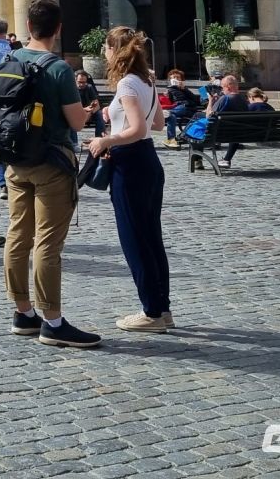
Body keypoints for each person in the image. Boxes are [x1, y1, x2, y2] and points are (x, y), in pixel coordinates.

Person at [2, 0, 97, 348]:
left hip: (16, 162)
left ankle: (22, 312)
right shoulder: (57, 68)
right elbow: (74, 121)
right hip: (51, 163)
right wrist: (87, 113)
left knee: (17, 236)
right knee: (47, 243)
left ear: (28, 26)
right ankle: (52, 321)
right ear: (58, 29)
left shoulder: (9, 60)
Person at [87, 26, 172, 332]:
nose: (104, 54)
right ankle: (162, 308)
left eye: (106, 49)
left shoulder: (126, 84)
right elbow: (158, 123)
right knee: (151, 237)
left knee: (134, 239)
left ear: (115, 51)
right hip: (149, 160)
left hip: (131, 162)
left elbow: (136, 129)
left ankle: (151, 311)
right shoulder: (146, 80)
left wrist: (105, 141)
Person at [162, 70, 200, 145]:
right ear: (170, 80)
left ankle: (165, 113)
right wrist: (168, 97)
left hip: (188, 108)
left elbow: (195, 99)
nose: (176, 79)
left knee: (169, 113)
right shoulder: (170, 89)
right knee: (171, 116)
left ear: (181, 80)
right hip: (179, 108)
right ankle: (172, 139)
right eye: (174, 77)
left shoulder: (184, 89)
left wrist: (184, 89)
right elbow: (173, 102)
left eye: (178, 77)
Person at [75, 71, 105, 136]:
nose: (82, 84)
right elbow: (70, 107)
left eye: (84, 82)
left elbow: (97, 105)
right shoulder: (72, 89)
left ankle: (99, 138)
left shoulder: (89, 87)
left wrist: (90, 112)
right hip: (75, 112)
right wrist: (84, 110)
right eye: (80, 82)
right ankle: (73, 143)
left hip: (88, 112)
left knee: (99, 114)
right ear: (75, 80)